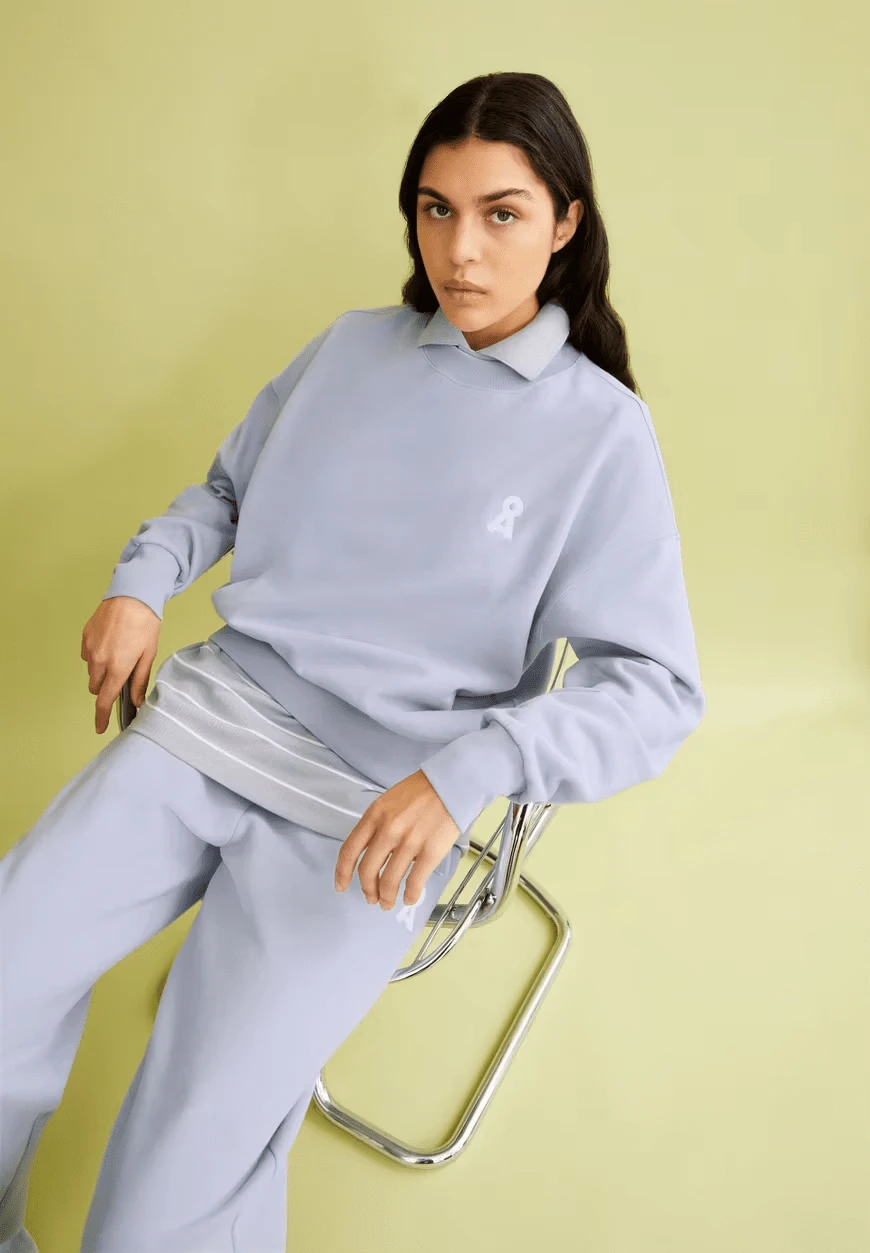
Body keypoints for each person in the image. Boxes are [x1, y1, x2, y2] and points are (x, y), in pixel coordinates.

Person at [0, 70, 706, 1253]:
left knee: (178, 1171)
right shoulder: (349, 350)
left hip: (372, 815)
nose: (460, 249)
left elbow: (656, 690)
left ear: (566, 222)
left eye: (501, 213)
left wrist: (471, 767)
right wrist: (140, 584)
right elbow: (223, 494)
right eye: (436, 208)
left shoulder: (601, 433)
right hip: (210, 723)